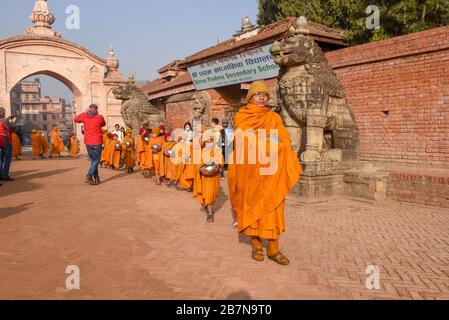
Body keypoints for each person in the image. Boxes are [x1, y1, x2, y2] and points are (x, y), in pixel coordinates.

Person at [227, 81, 302, 265]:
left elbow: (284, 141)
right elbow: (245, 143)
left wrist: (274, 144)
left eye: (265, 95)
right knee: (253, 207)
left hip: (271, 174)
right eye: (257, 94)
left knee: (273, 207)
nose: (261, 98)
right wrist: (270, 142)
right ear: (250, 97)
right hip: (250, 172)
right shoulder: (242, 116)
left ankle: (274, 249)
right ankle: (256, 246)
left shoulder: (274, 118)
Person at [190, 134, 223, 223]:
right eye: (207, 142)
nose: (209, 143)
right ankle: (210, 213)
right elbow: (196, 165)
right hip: (203, 177)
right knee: (206, 194)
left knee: (210, 194)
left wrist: (217, 165)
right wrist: (200, 168)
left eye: (211, 141)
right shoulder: (200, 152)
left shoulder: (217, 151)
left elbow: (220, 163)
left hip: (213, 177)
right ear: (204, 142)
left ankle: (207, 206)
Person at [74, 104, 106, 185]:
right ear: (96, 109)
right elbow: (103, 124)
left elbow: (76, 119)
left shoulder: (84, 116)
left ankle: (96, 179)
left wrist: (84, 112)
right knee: (96, 160)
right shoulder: (99, 117)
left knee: (93, 161)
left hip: (88, 142)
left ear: (89, 109)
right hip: (97, 141)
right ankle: (89, 176)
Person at [0, 109, 15, 182]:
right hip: (6, 142)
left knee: (1, 160)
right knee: (7, 159)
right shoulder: (4, 121)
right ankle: (5, 175)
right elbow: (12, 129)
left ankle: (1, 175)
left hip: (0, 142)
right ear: (3, 113)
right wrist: (12, 122)